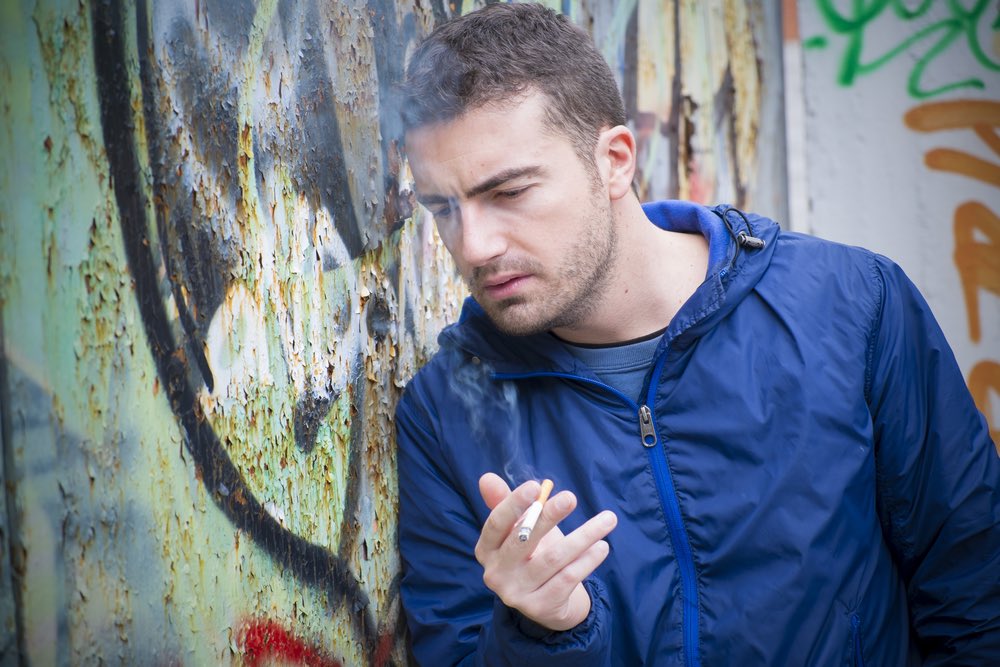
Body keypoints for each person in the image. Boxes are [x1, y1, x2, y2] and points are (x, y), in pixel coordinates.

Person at [393, 4, 1000, 665]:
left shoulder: (851, 306)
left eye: (508, 192)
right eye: (443, 208)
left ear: (615, 160)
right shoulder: (445, 410)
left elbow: (976, 600)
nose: (473, 245)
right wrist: (547, 632)